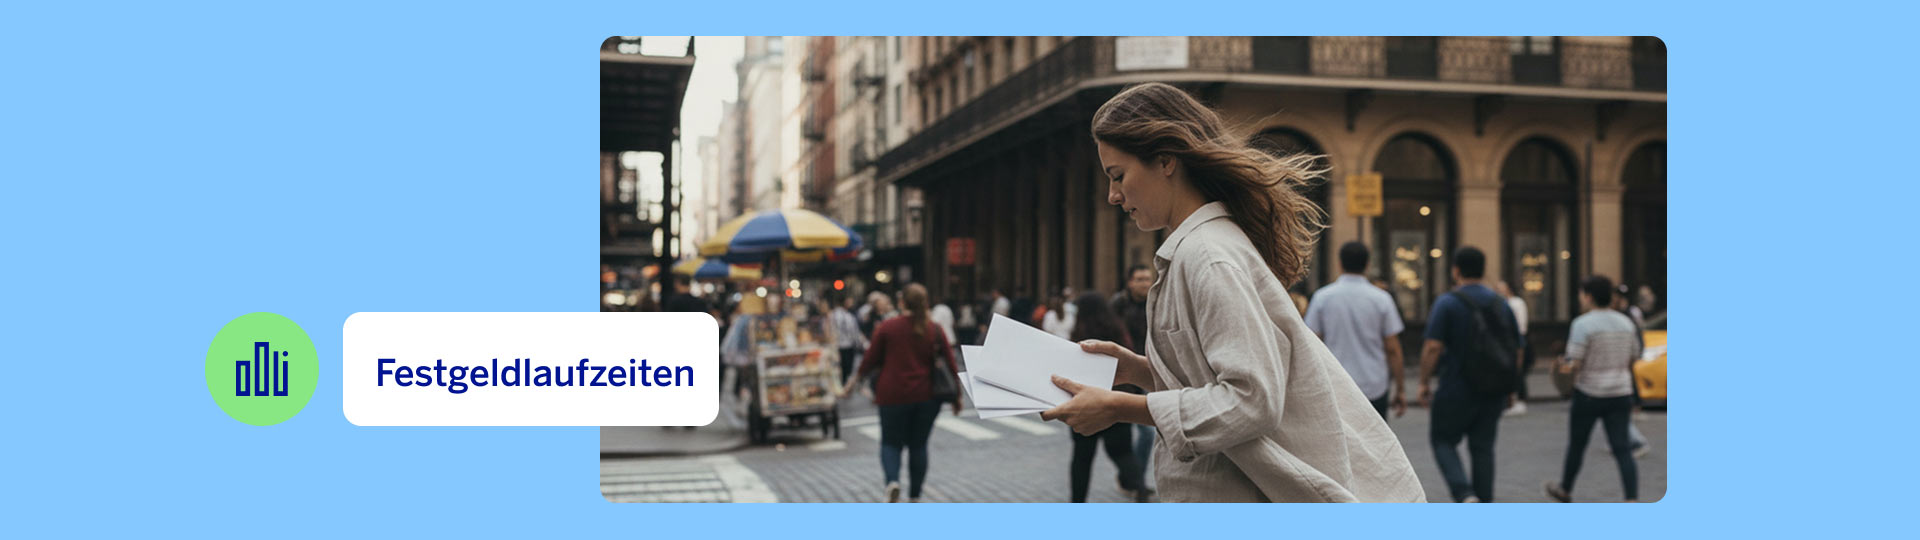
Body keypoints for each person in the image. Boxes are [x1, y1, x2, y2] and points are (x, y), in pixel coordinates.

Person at [1040, 82, 1424, 502]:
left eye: (1119, 176)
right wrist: (1138, 371)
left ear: (1166, 161)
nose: (1114, 195)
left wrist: (1119, 407)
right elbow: (1221, 381)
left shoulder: (1208, 256)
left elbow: (1251, 401)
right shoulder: (1201, 249)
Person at [1417, 246, 1523, 502]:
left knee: (1443, 440)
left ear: (1456, 271)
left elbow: (1432, 347)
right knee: (1483, 448)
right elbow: (1517, 349)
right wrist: (1512, 387)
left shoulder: (1448, 302)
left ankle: (1464, 494)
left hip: (1456, 387)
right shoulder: (1501, 303)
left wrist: (1423, 382)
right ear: (1483, 270)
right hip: (1494, 389)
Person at [841, 283, 962, 503]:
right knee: (919, 445)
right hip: (926, 397)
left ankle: (892, 482)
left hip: (892, 395)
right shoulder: (934, 328)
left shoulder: (888, 327)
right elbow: (951, 363)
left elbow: (868, 361)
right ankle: (915, 496)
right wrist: (957, 397)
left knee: (890, 443)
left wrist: (851, 384)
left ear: (901, 302)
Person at [1545, 276, 1642, 503]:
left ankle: (1565, 489)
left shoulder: (1582, 324)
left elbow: (1574, 362)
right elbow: (1634, 356)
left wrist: (1562, 368)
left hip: (1589, 393)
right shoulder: (1626, 323)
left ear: (1588, 296)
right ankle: (1631, 498)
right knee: (1622, 449)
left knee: (1577, 445)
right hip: (1620, 392)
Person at [1305, 242, 1407, 421]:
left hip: (1337, 385)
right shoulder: (1382, 299)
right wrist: (1400, 388)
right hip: (1374, 384)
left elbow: (1310, 343)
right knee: (1376, 443)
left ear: (1340, 264)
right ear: (1367, 264)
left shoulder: (1322, 298)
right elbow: (1393, 349)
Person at [1066, 291, 1151, 502]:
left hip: (1085, 399)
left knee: (1082, 457)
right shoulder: (1117, 329)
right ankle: (1139, 488)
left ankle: (1077, 502)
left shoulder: (1079, 334)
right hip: (1118, 398)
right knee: (1123, 453)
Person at [1109, 265, 1157, 483]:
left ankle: (1135, 479)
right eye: (1139, 279)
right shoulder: (1117, 305)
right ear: (1129, 282)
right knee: (1122, 432)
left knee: (1147, 433)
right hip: (1122, 373)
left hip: (1150, 369)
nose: (1145, 283)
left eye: (1147, 279)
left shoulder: (1156, 300)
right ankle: (1131, 477)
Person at [1494, 281, 1533, 416]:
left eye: (1501, 288)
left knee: (1518, 370)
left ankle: (1519, 400)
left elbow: (1520, 325)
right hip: (1507, 341)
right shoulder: (1500, 303)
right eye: (1497, 288)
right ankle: (1510, 400)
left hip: (1516, 340)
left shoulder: (1516, 303)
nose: (1498, 290)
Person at [830, 295, 868, 384]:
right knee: (847, 365)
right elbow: (852, 330)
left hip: (843, 343)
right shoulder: (844, 315)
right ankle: (846, 382)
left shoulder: (839, 314)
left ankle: (845, 382)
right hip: (846, 343)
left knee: (844, 365)